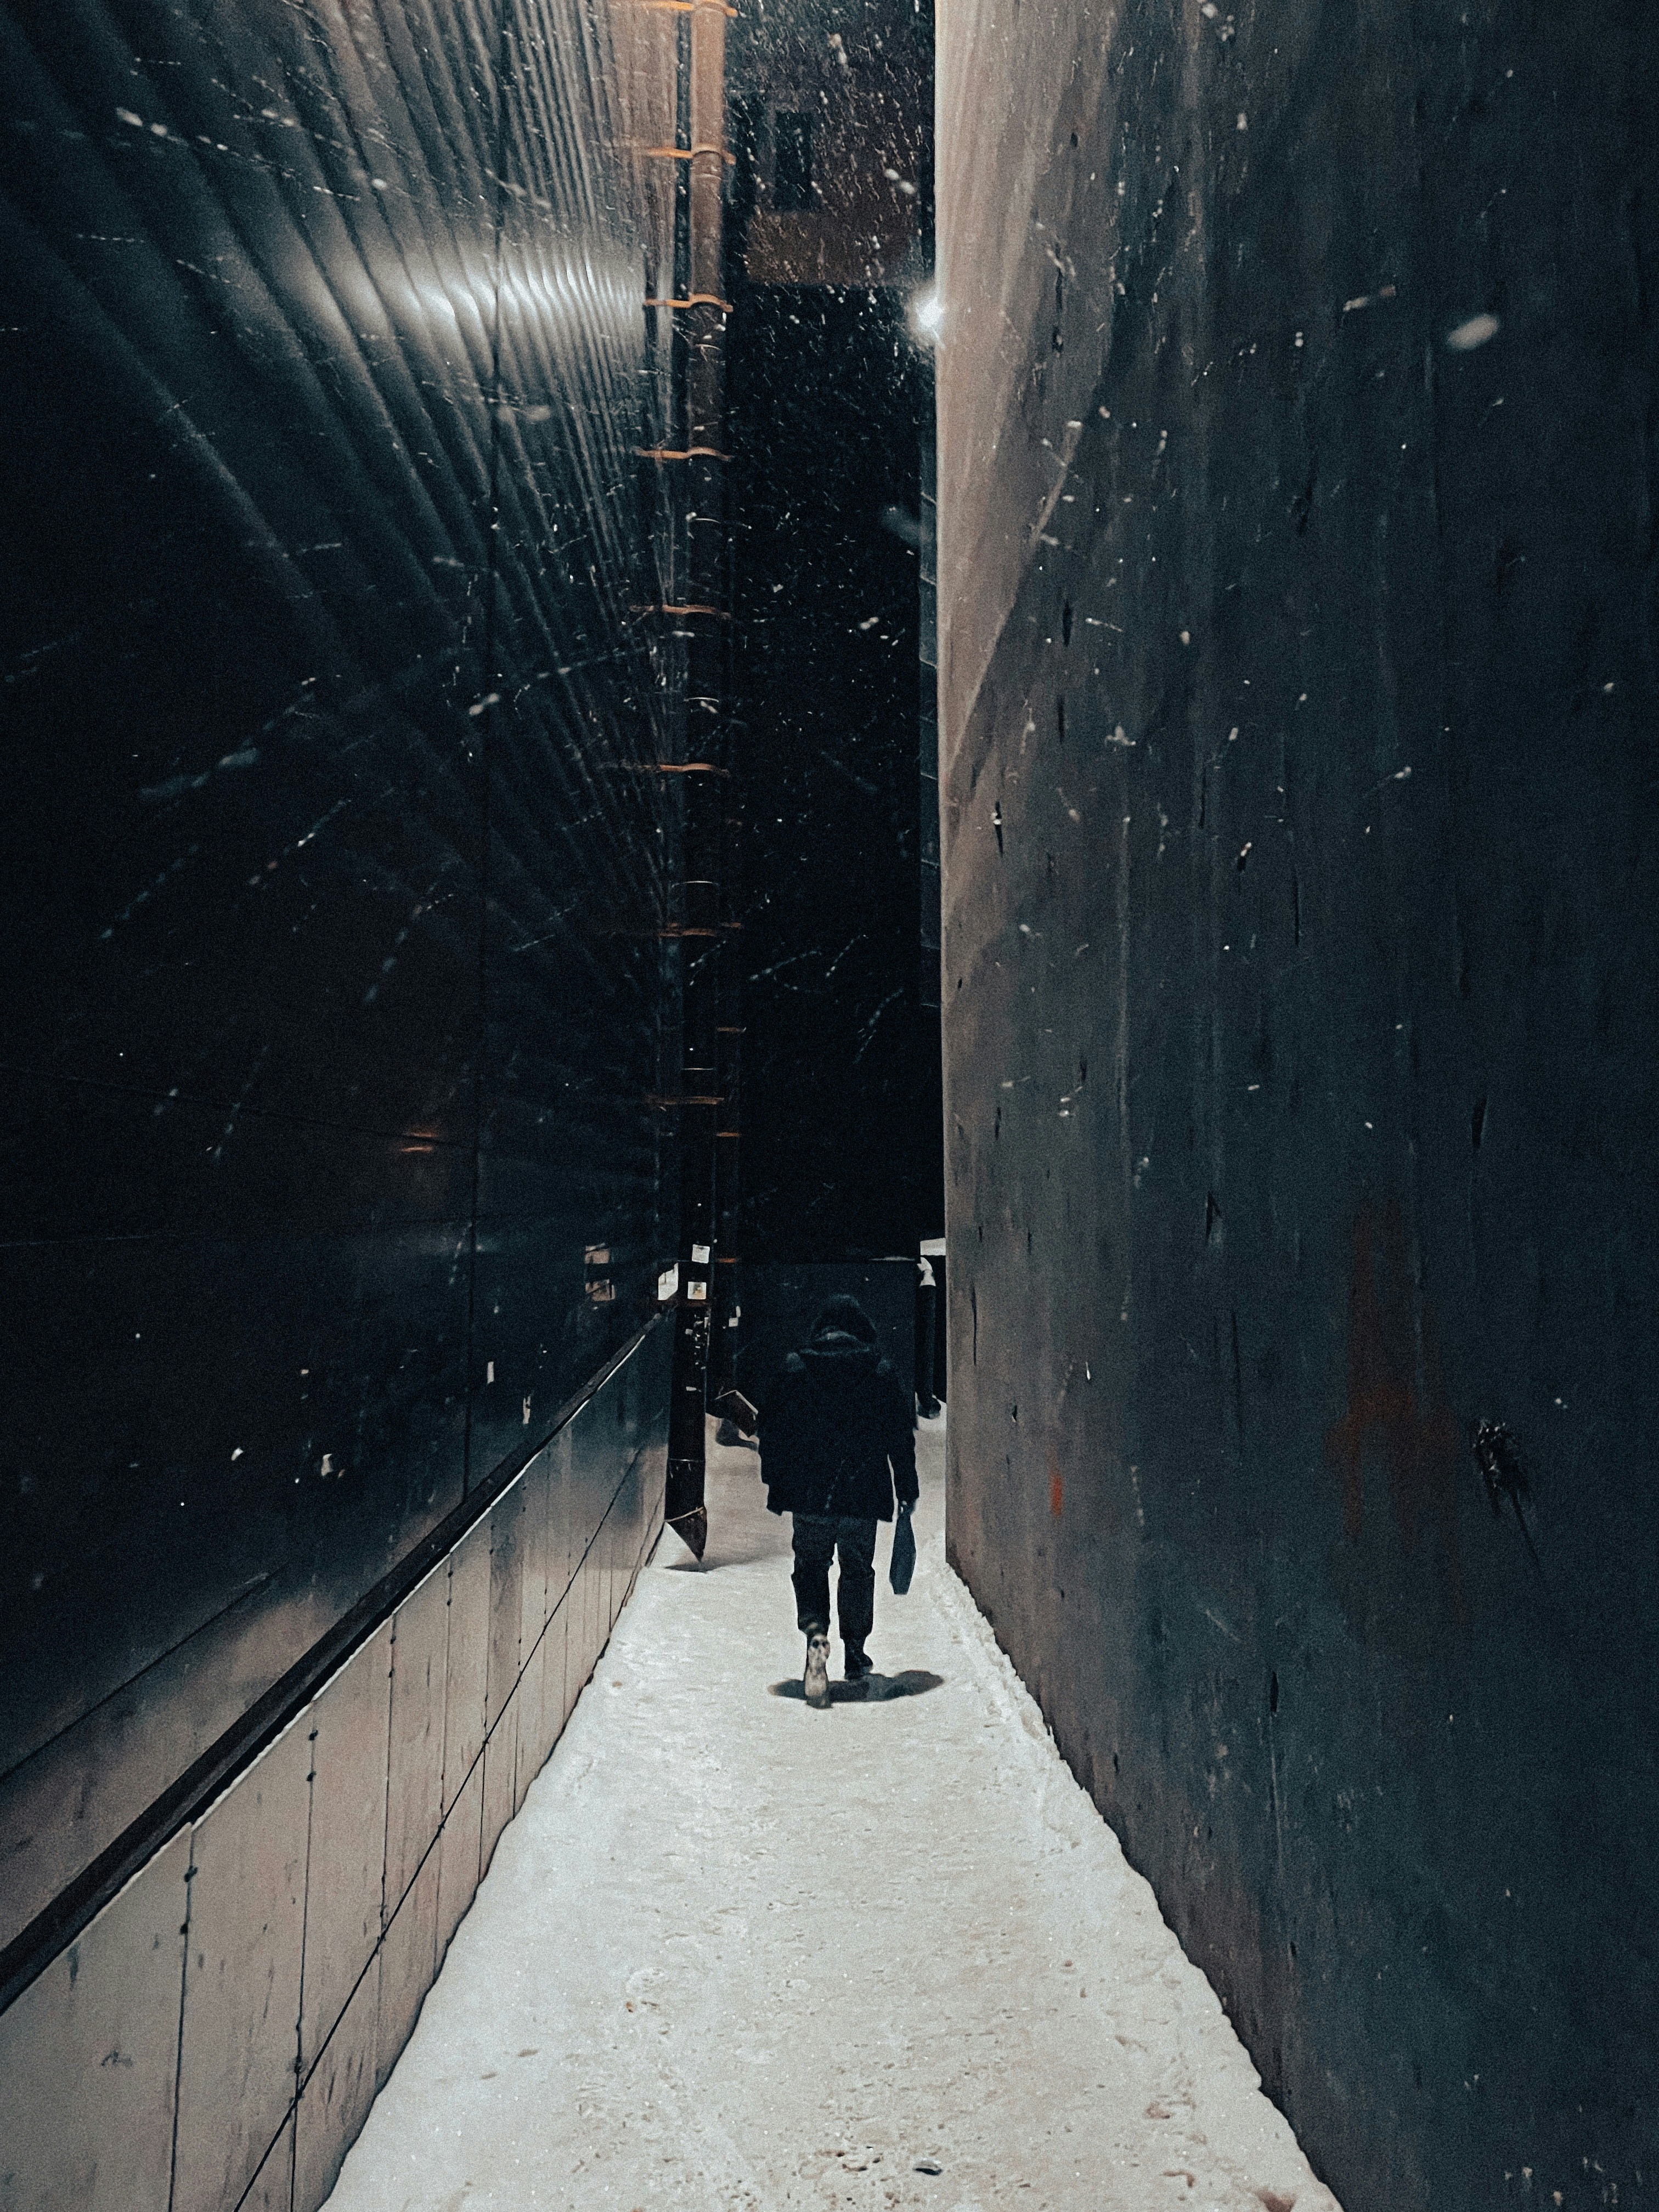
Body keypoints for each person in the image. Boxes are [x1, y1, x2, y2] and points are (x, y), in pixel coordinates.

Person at [757, 1294, 918, 1706]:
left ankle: (815, 1630)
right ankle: (856, 1652)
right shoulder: (880, 1371)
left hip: (810, 1492)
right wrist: (907, 1488)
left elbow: (770, 1429)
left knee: (810, 1565)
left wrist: (776, 1479)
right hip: (862, 1491)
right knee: (858, 1570)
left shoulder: (796, 1368)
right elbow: (900, 1437)